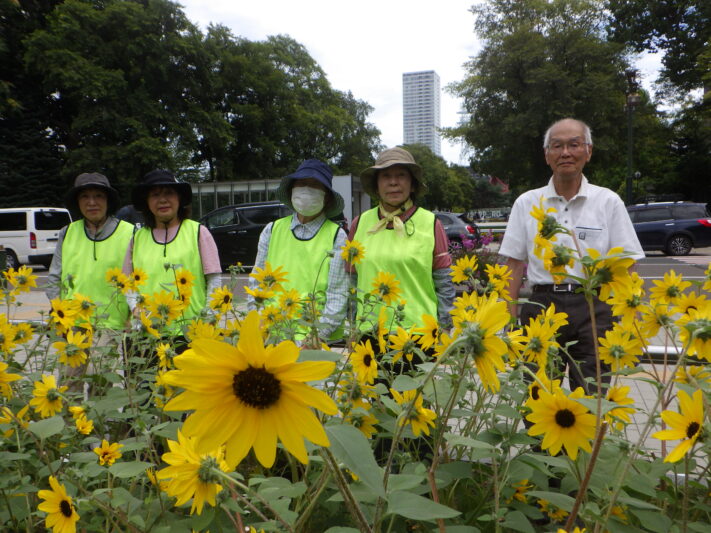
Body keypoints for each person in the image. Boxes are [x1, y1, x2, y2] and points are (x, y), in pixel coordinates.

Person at [499, 118, 644, 393]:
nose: (565, 152)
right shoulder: (527, 203)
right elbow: (514, 265)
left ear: (588, 152)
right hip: (542, 305)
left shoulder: (608, 201)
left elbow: (628, 265)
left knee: (592, 395)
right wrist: (509, 321)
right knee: (537, 394)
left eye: (574, 145)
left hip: (595, 306)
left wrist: (631, 322)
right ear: (547, 155)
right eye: (557, 146)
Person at [348, 146, 455, 336]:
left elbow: (443, 281)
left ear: (412, 184)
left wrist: (445, 327)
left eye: (401, 175)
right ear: (377, 184)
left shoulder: (430, 223)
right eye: (386, 176)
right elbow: (352, 280)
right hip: (369, 332)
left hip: (419, 333)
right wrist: (352, 324)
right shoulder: (360, 223)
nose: (393, 182)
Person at [247, 159, 348, 344]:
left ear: (326, 197)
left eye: (315, 185)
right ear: (291, 190)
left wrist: (316, 337)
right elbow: (256, 282)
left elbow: (337, 293)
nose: (306, 190)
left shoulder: (337, 236)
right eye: (301, 183)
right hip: (271, 332)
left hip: (313, 340)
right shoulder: (272, 230)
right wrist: (258, 322)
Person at [123, 169, 221, 337]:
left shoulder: (198, 232)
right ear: (146, 202)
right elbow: (127, 283)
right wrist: (136, 310)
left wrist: (208, 317)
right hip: (147, 334)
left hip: (190, 331)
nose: (162, 200)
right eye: (155, 194)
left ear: (179, 198)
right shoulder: (137, 237)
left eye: (169, 193)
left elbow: (214, 280)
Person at [47, 172, 134, 331]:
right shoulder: (67, 232)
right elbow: (54, 277)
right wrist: (58, 312)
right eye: (84, 196)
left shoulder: (130, 233)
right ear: (77, 202)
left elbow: (137, 280)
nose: (91, 202)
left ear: (108, 200)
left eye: (98, 196)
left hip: (113, 325)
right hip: (73, 323)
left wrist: (132, 317)